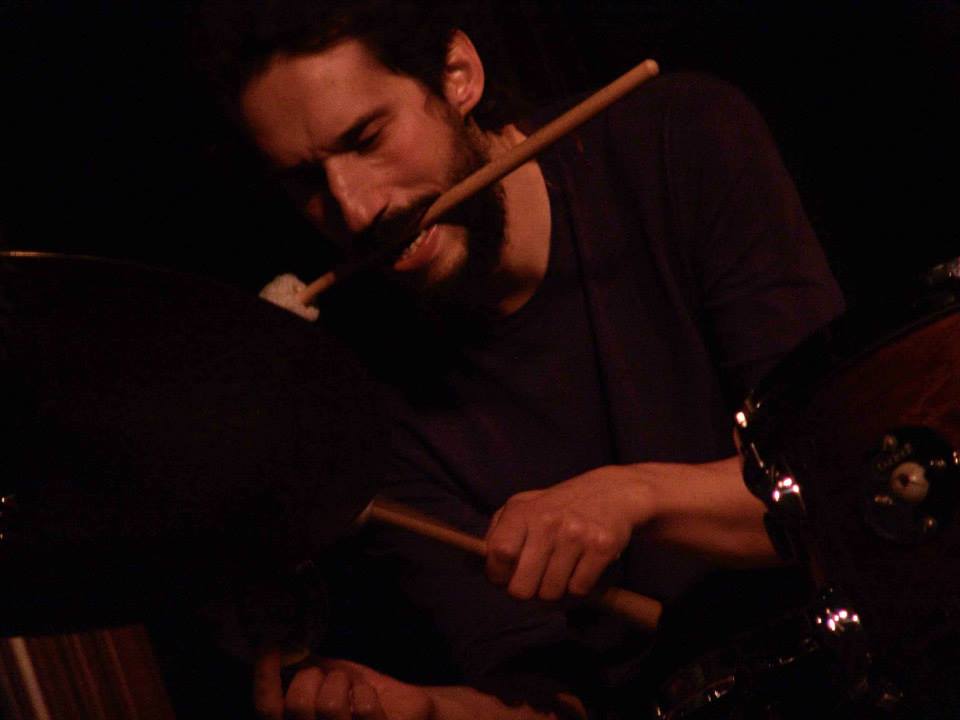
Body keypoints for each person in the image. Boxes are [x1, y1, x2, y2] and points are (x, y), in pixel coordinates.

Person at [199, 1, 844, 717]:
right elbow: (548, 700)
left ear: (458, 75)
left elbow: (847, 474)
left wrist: (636, 497)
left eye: (367, 138)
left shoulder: (677, 139)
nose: (354, 210)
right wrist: (419, 711)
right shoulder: (367, 397)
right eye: (306, 181)